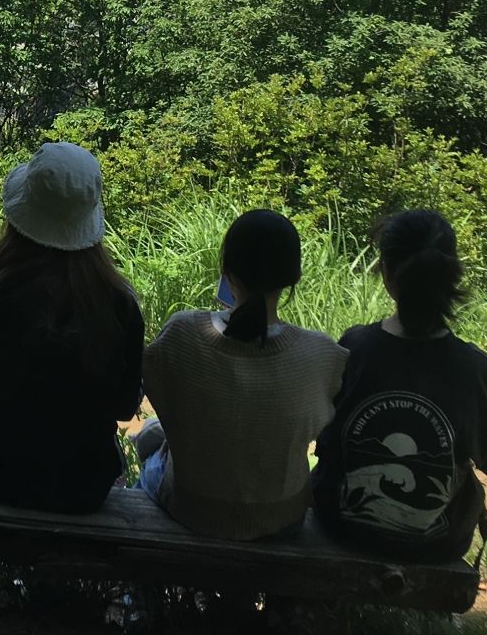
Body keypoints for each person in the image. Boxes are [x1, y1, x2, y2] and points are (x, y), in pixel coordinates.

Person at [0, 142, 144, 514]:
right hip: (86, 487)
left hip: (0, 476)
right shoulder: (119, 305)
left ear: (18, 221)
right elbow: (126, 406)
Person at [313, 209, 487, 564]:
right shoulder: (475, 369)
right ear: (451, 276)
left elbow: (322, 433)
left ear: (386, 274)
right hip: (436, 545)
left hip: (341, 527)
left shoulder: (354, 348)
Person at [137, 209, 346, 539]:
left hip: (192, 508)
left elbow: (161, 396)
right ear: (295, 277)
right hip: (281, 517)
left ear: (226, 269)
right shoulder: (321, 354)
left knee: (149, 438)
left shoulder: (182, 333)